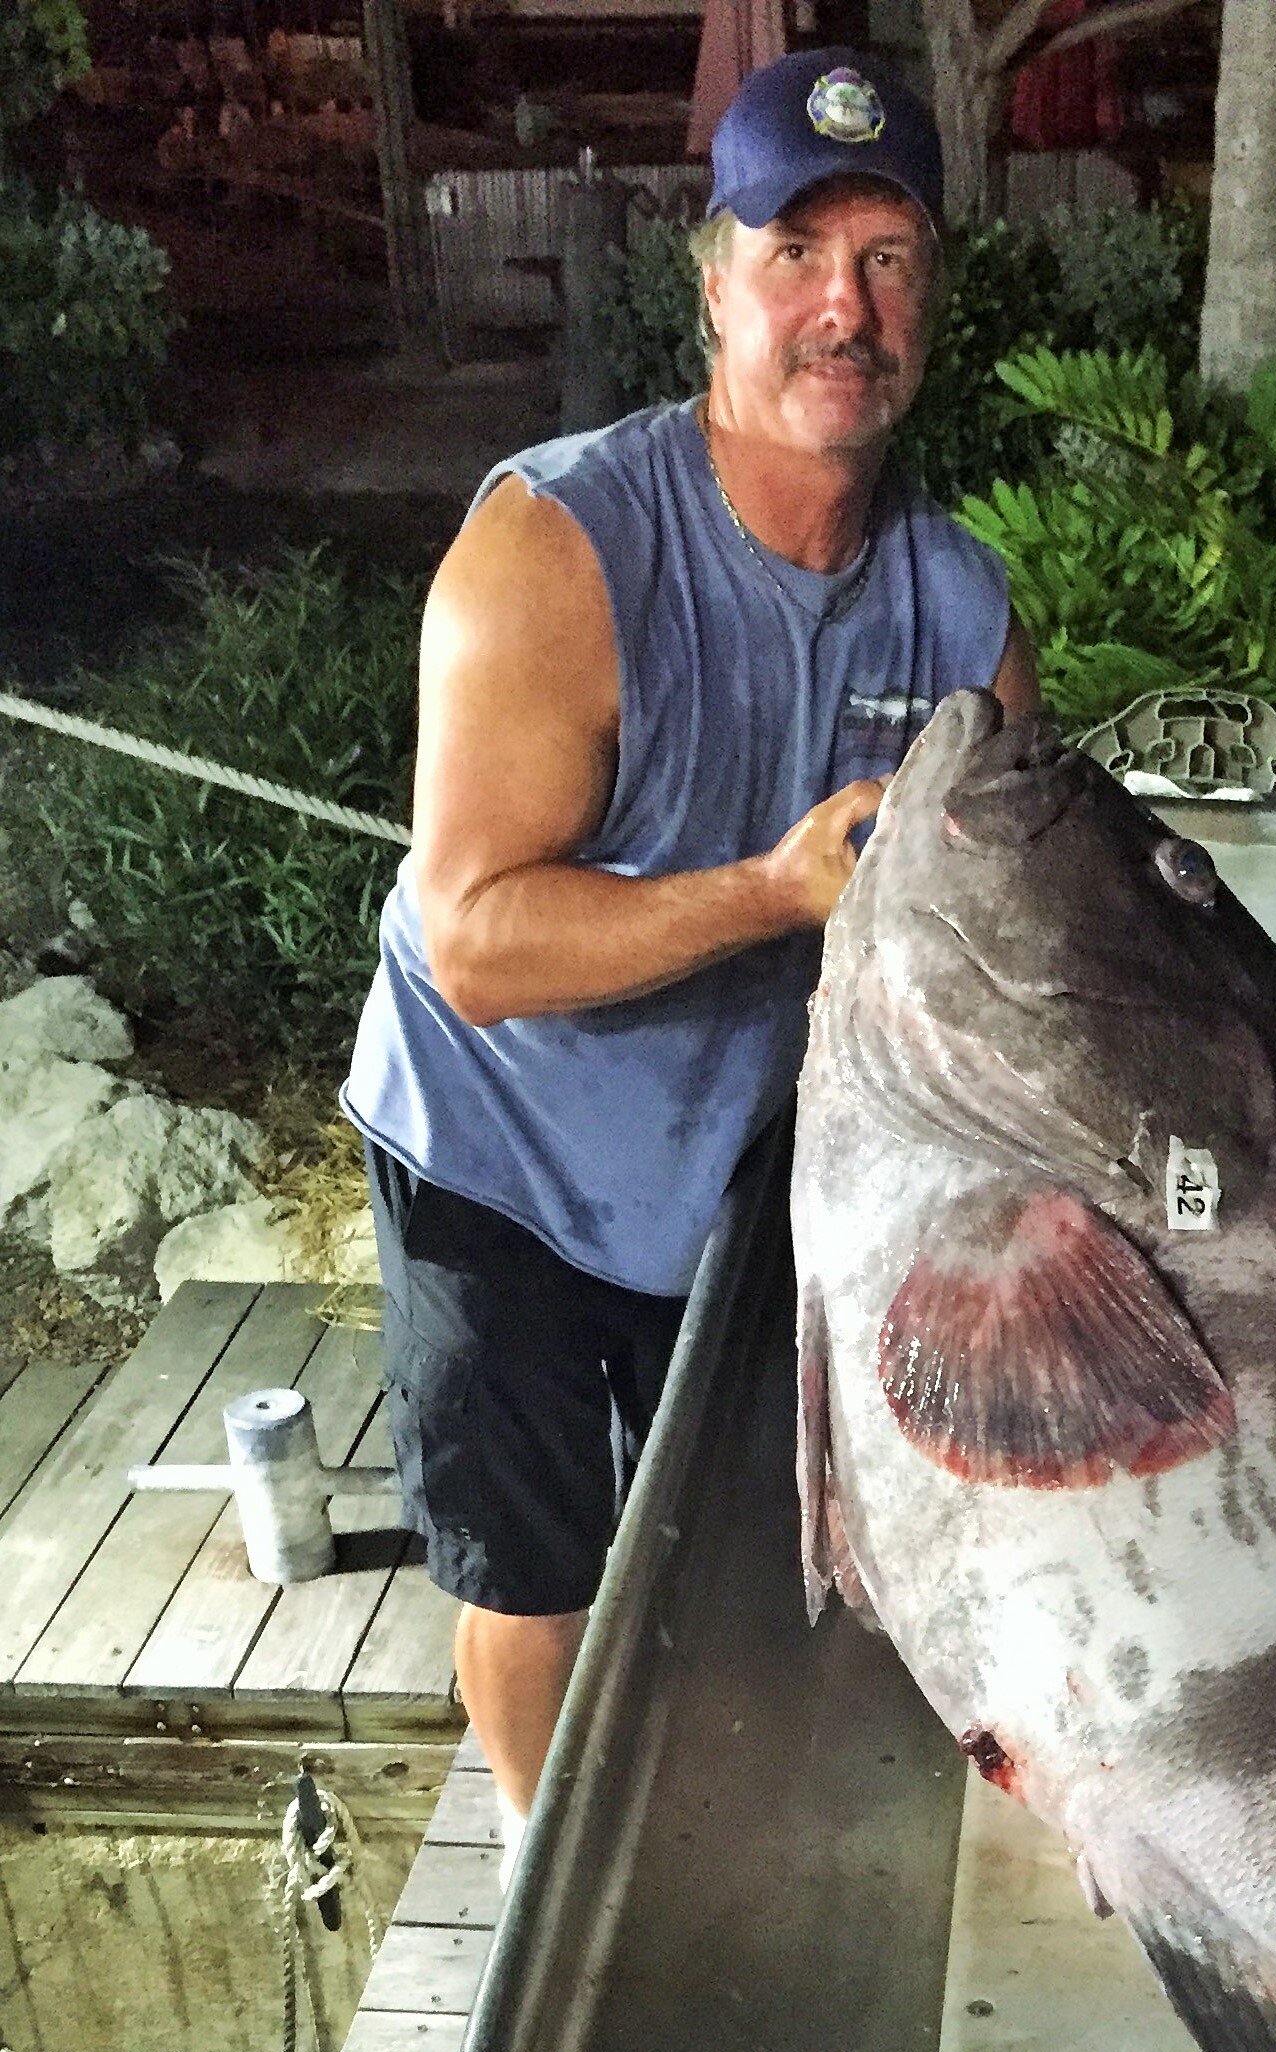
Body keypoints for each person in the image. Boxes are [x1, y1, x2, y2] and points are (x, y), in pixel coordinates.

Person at [342, 49, 1038, 1865]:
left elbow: (1025, 900)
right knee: (537, 1554)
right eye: (798, 254)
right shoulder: (553, 547)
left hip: (733, 1156)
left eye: (889, 259)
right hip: (494, 1139)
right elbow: (476, 937)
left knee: (737, 1526)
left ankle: (705, 1814)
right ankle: (531, 1855)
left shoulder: (958, 598)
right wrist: (770, 893)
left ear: (933, 303)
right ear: (713, 283)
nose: (844, 306)